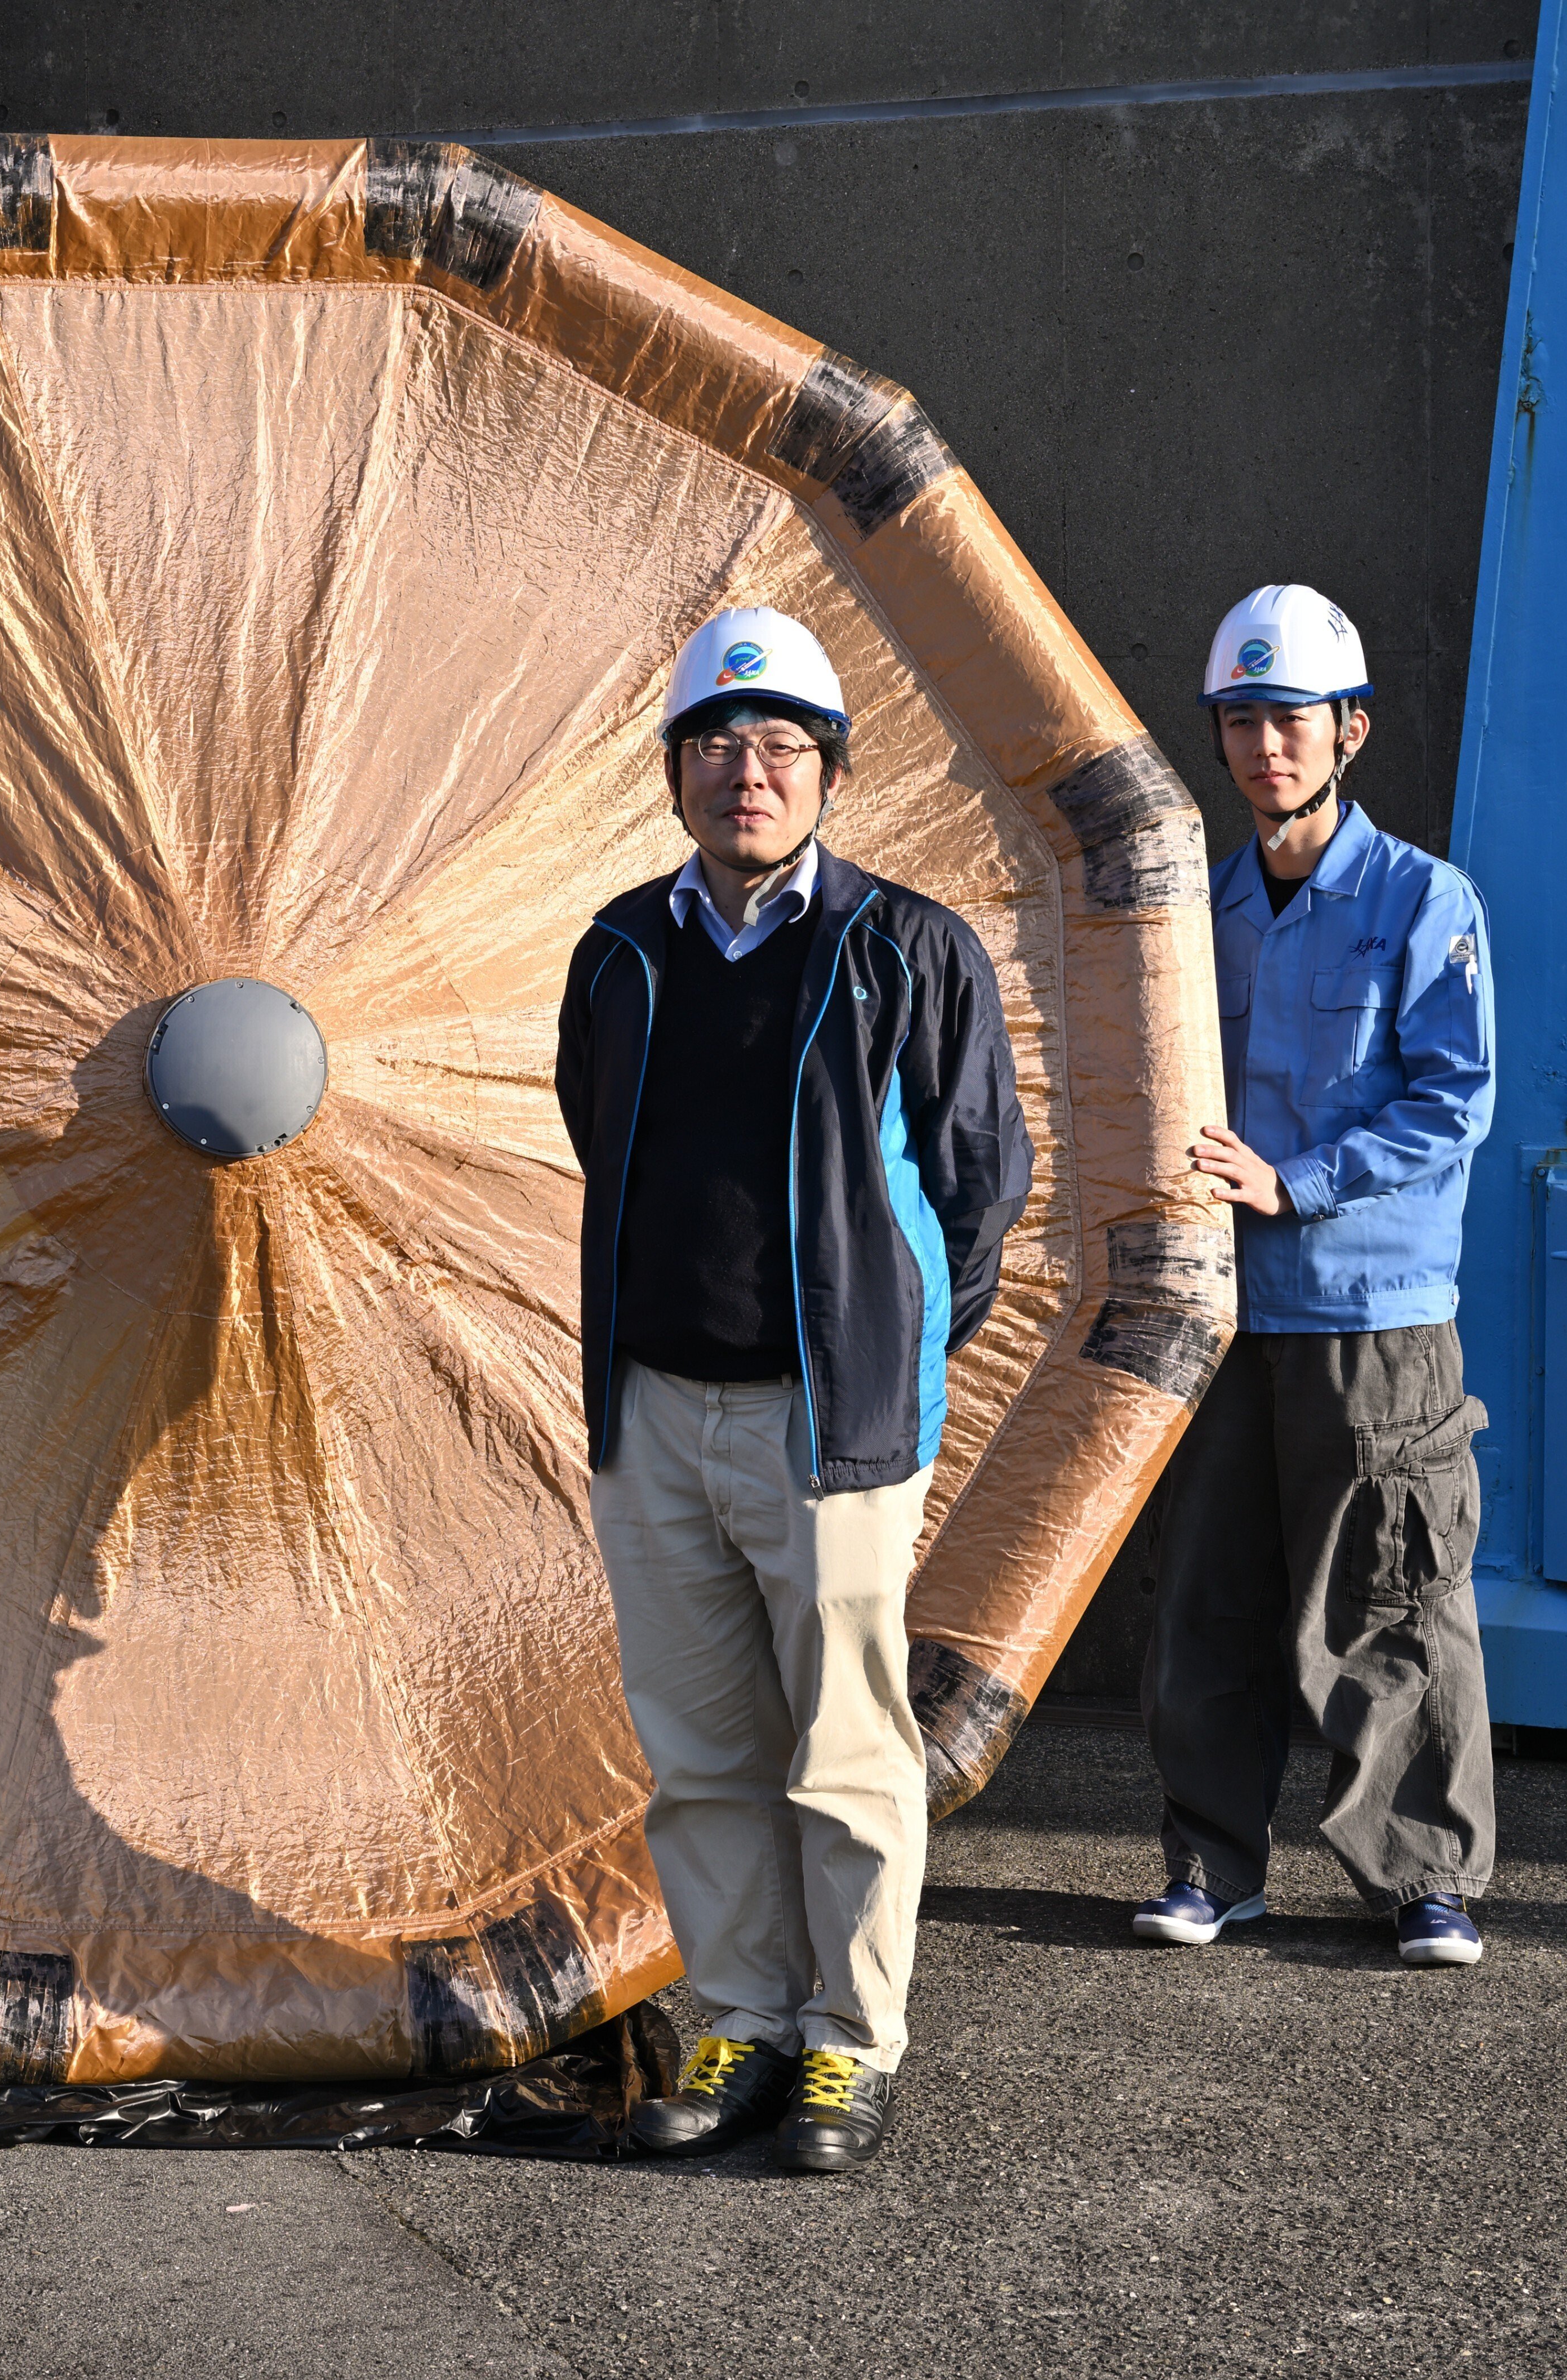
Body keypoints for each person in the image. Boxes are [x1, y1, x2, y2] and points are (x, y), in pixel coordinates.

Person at [555, 608, 1032, 2171]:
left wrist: (885, 1351)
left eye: (778, 748)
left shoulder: (906, 947)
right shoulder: (621, 950)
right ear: (675, 772)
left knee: (842, 1747)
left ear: (827, 771)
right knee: (698, 1751)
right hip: (654, 1410)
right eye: (716, 744)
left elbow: (976, 1188)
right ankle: (747, 2016)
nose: (745, 773)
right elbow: (599, 1137)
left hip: (824, 1424)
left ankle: (849, 2043)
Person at [1134, 584, 1499, 1967]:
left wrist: (1300, 1180)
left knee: (1391, 1597)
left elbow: (1452, 1099)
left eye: (1288, 719)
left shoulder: (1422, 900)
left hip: (1371, 1317)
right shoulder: (1189, 910)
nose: (1263, 746)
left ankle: (1422, 1880)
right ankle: (1210, 1865)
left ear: (1347, 729)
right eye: (1239, 720)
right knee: (1206, 1596)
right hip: (1218, 1311)